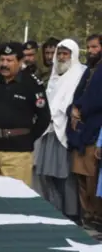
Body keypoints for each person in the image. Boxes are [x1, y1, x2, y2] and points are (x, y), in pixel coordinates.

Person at [0, 42, 51, 186]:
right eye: (2, 60)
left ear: (20, 62)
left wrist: (27, 139)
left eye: (9, 60)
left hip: (17, 152)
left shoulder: (31, 84)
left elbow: (44, 117)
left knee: (15, 196)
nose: (4, 64)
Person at [33, 39, 83, 219]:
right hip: (49, 130)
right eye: (59, 53)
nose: (61, 57)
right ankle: (52, 211)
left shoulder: (80, 74)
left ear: (73, 55)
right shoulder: (54, 76)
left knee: (65, 176)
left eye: (65, 54)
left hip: (67, 132)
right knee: (46, 174)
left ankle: (70, 214)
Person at [68, 34, 102, 230]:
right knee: (80, 176)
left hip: (95, 131)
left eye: (95, 47)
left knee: (92, 178)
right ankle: (86, 215)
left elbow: (96, 98)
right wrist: (74, 108)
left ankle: (96, 216)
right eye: (89, 47)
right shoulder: (90, 69)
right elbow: (79, 94)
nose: (91, 51)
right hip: (81, 131)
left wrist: (80, 108)